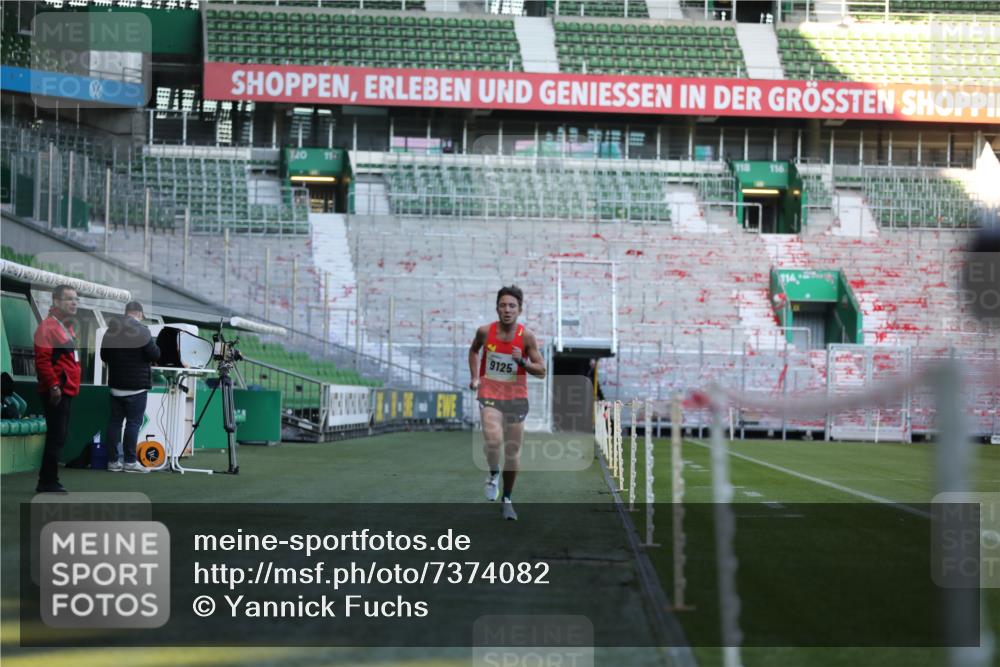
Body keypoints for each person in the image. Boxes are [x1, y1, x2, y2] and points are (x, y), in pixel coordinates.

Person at [468, 285, 546, 521]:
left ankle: (508, 500)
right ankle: (493, 474)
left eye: (512, 305)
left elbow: (541, 370)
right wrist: (474, 377)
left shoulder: (527, 336)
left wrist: (521, 361)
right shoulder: (484, 331)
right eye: (503, 305)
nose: (507, 309)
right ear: (497, 308)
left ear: (519, 309)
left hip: (516, 397)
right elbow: (473, 351)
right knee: (493, 441)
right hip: (490, 392)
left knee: (512, 451)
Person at [101, 301, 159, 473]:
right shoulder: (143, 331)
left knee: (114, 423)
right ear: (139, 314)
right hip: (137, 387)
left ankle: (112, 462)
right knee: (133, 424)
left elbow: (104, 355)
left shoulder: (110, 331)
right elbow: (155, 354)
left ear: (126, 312)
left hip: (116, 385)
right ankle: (130, 461)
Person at [34, 285, 81, 493]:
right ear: (55, 301)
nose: (74, 303)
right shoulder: (47, 327)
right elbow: (42, 361)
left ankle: (48, 479)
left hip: (66, 389)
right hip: (57, 391)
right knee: (56, 436)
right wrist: (54, 386)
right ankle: (47, 481)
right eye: (69, 299)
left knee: (59, 437)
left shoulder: (65, 326)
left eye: (76, 299)